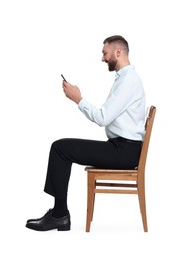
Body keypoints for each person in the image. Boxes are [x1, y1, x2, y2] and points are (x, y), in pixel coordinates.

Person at [26, 35, 146, 232]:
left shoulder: (129, 81)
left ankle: (59, 215)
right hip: (121, 148)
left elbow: (102, 118)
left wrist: (78, 99)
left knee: (60, 148)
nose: (102, 58)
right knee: (61, 147)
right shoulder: (126, 79)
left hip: (124, 152)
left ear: (118, 52)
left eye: (104, 53)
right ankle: (59, 213)